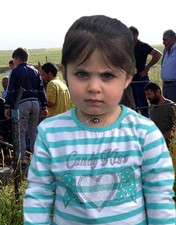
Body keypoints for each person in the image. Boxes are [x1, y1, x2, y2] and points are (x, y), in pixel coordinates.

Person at [24, 15, 175, 225]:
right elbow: (38, 197)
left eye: (107, 75)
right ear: (65, 73)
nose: (94, 87)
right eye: (82, 74)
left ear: (127, 78)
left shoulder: (145, 133)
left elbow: (159, 200)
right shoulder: (50, 134)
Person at [4, 47, 48, 166]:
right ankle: (36, 159)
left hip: (22, 102)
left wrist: (7, 106)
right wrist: (44, 106)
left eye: (14, 59)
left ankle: (22, 159)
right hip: (35, 103)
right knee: (33, 131)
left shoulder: (15, 71)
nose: (14, 62)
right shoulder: (35, 71)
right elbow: (41, 89)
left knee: (21, 132)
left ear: (17, 58)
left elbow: (11, 90)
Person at [129, 26, 162, 117]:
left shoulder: (143, 46)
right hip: (130, 80)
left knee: (143, 104)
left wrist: (147, 68)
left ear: (136, 35)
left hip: (141, 79)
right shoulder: (127, 47)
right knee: (132, 105)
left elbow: (158, 54)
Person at [161, 29, 176, 103]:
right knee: (167, 109)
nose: (163, 42)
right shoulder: (165, 51)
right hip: (165, 85)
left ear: (173, 39)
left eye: (165, 40)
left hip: (174, 85)